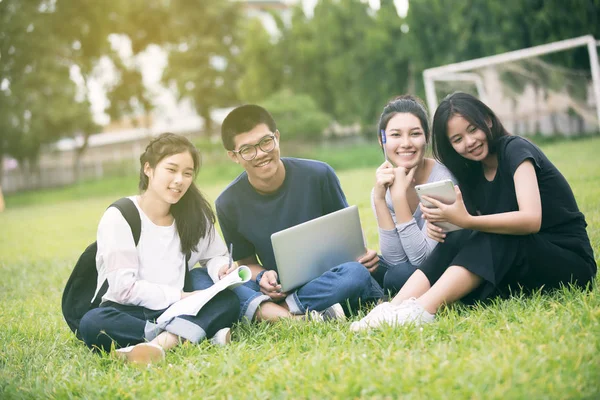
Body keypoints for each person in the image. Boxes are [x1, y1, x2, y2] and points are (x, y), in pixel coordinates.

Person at [351, 92, 597, 331]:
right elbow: (462, 235)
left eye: (472, 130)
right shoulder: (472, 172)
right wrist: (450, 223)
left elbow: (531, 220)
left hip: (568, 260)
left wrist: (467, 220)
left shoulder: (515, 150)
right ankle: (393, 308)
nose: (469, 142)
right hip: (523, 263)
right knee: (460, 234)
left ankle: (423, 310)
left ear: (487, 121)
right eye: (457, 139)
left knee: (488, 231)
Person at [79, 133, 240, 364]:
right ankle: (190, 336)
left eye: (187, 173)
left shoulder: (194, 215)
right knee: (93, 323)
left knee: (228, 301)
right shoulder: (121, 216)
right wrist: (182, 296)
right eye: (171, 170)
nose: (180, 180)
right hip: (130, 311)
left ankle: (157, 346)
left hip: (179, 308)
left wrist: (221, 269)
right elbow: (124, 289)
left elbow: (215, 255)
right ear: (148, 169)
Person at [215, 104, 383, 322]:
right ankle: (312, 309)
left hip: (331, 276)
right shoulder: (227, 203)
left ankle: (283, 312)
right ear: (234, 156)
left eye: (266, 142)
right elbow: (246, 263)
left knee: (357, 274)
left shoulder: (319, 174)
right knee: (231, 286)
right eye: (247, 150)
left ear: (276, 137)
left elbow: (348, 235)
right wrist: (262, 277)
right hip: (279, 287)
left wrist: (363, 255)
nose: (261, 154)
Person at [371, 95, 456, 296]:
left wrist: (399, 198)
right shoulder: (383, 186)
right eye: (396, 135)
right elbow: (395, 261)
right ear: (382, 141)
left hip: (441, 268)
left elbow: (421, 261)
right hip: (405, 269)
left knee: (396, 278)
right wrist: (379, 200)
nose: (406, 143)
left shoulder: (441, 182)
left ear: (427, 136)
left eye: (415, 134)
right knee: (368, 268)